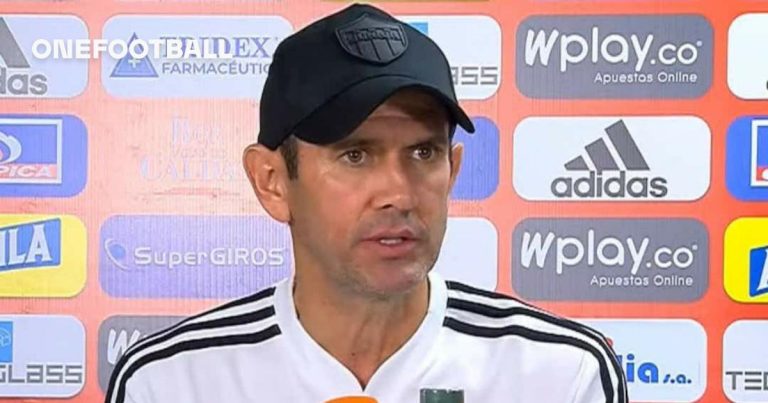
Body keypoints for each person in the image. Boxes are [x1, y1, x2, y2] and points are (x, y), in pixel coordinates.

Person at [105, 3, 628, 402]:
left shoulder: (563, 372)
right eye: (355, 155)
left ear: (453, 172)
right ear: (272, 182)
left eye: (423, 152)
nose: (399, 193)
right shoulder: (170, 382)